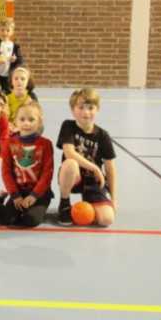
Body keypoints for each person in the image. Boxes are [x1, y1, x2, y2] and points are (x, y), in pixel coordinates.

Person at [56, 88, 117, 227]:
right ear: (73, 109)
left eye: (90, 108)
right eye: (81, 107)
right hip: (74, 177)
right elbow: (69, 152)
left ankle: (89, 202)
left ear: (97, 109)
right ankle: (64, 204)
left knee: (107, 220)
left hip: (93, 181)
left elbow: (110, 168)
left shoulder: (103, 136)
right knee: (70, 163)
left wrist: (113, 198)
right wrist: (95, 168)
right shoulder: (68, 126)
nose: (86, 112)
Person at [0, 103, 54, 228]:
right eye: (22, 119)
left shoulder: (46, 144)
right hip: (19, 191)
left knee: (30, 220)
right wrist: (15, 195)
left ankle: (35, 208)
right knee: (6, 219)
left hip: (39, 193)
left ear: (39, 122)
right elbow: (6, 172)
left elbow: (47, 173)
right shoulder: (9, 143)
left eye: (31, 120)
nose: (26, 123)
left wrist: (34, 195)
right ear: (15, 122)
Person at [0, 18, 23, 93]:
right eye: (2, 30)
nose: (5, 33)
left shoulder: (15, 46)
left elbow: (20, 60)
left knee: (8, 91)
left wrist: (15, 59)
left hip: (7, 73)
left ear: (12, 32)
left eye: (7, 30)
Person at [6, 67, 38, 131]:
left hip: (25, 127)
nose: (19, 81)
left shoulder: (31, 98)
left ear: (28, 82)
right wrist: (8, 124)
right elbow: (3, 115)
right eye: (16, 79)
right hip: (8, 128)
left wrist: (19, 127)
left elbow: (35, 118)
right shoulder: (6, 97)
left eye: (22, 79)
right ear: (11, 81)